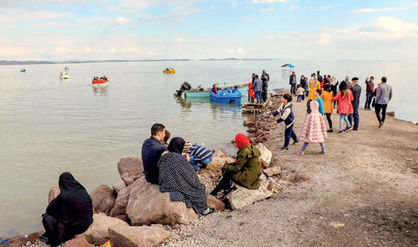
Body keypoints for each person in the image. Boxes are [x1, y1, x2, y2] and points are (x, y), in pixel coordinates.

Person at [158, 137, 214, 215]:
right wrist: (187, 161)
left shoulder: (164, 156)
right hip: (176, 185)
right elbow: (190, 174)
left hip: (165, 183)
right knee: (200, 189)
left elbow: (160, 167)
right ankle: (204, 210)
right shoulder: (181, 159)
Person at [41, 172, 93, 247]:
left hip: (75, 228)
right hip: (87, 223)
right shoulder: (82, 190)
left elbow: (50, 209)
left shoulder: (64, 197)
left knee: (47, 218)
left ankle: (55, 243)